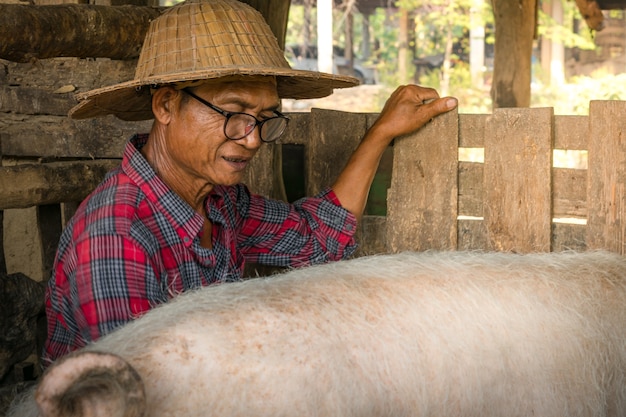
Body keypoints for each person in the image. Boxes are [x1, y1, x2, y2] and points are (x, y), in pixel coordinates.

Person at [43, 0, 458, 366]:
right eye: (233, 112)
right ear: (166, 104)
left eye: (265, 118)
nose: (253, 138)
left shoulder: (222, 203)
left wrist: (381, 133)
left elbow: (318, 237)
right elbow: (135, 390)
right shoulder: (116, 236)